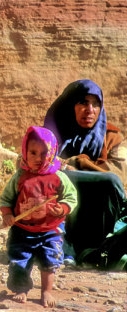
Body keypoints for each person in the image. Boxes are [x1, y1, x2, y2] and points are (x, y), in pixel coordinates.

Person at [44, 79, 127, 261]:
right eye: (82, 102)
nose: (90, 110)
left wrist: (77, 162)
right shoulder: (48, 136)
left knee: (110, 182)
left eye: (96, 104)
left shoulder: (113, 137)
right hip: (62, 210)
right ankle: (65, 248)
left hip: (99, 213)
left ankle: (95, 248)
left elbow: (119, 173)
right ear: (69, 105)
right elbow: (29, 162)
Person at [0, 126, 77, 307]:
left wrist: (63, 208)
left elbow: (71, 197)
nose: (37, 158)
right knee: (19, 261)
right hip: (22, 229)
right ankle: (21, 289)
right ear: (25, 151)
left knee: (49, 262)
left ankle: (46, 291)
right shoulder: (20, 177)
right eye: (33, 152)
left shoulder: (58, 177)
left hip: (51, 230)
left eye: (44, 154)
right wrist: (8, 215)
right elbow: (6, 198)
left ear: (51, 154)